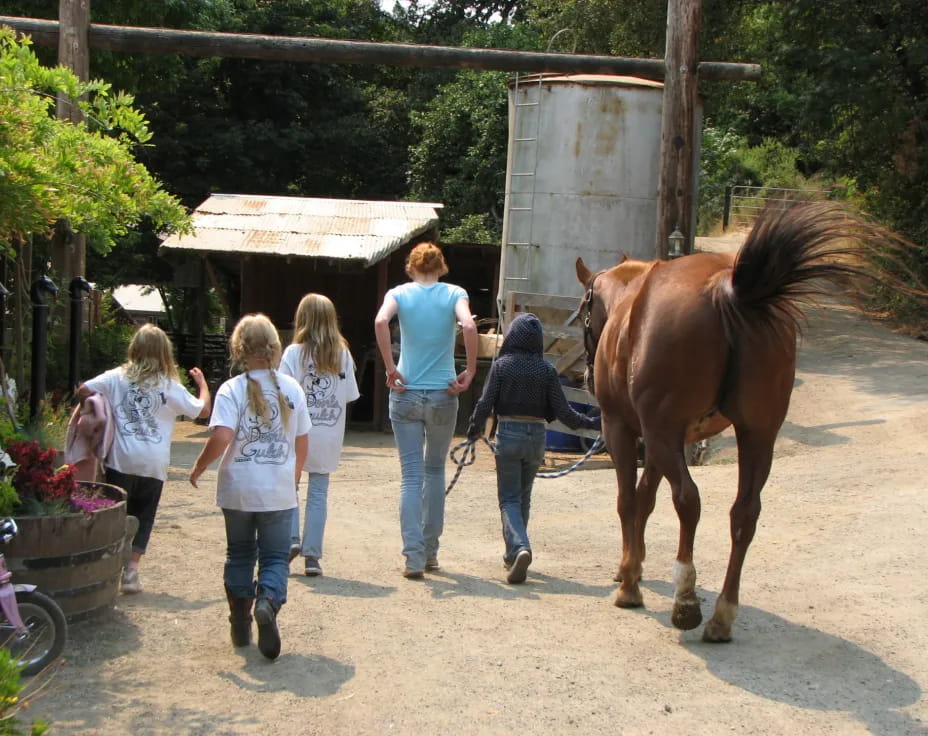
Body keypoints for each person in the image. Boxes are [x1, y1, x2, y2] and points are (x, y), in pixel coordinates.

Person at [189, 314, 310, 660]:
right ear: (275, 348)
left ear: (239, 348)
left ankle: (240, 619)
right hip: (277, 490)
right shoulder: (292, 389)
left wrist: (199, 466)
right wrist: (295, 475)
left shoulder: (231, 389)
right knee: (274, 556)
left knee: (239, 553)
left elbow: (222, 435)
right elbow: (303, 442)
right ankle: (267, 603)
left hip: (238, 488)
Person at [466, 312, 601, 584]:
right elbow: (565, 413)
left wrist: (474, 429)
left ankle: (519, 548)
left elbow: (484, 403)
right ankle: (513, 554)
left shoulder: (502, 366)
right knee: (523, 498)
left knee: (509, 499)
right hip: (538, 437)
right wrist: (595, 424)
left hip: (509, 434)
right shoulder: (547, 370)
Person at [78, 323, 211, 595]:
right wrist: (202, 383)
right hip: (153, 462)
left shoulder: (116, 377)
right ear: (165, 353)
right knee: (144, 516)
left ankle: (109, 567)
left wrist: (100, 410)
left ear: (134, 349)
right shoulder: (168, 385)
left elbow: (83, 389)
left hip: (120, 459)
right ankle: (132, 572)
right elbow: (202, 410)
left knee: (117, 514)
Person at [374, 242, 477, 579]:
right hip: (442, 393)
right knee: (434, 472)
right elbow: (470, 327)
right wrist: (471, 370)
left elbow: (380, 322)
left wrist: (391, 367)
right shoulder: (454, 293)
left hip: (405, 393)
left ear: (411, 266)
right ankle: (431, 552)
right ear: (441, 266)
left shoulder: (399, 294)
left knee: (411, 476)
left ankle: (413, 557)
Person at [280, 293, 360, 577]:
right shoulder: (343, 354)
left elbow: (282, 393)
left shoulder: (293, 354)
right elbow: (350, 395)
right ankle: (312, 556)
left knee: (290, 487)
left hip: (297, 432)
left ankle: (290, 540)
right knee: (319, 493)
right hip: (329, 433)